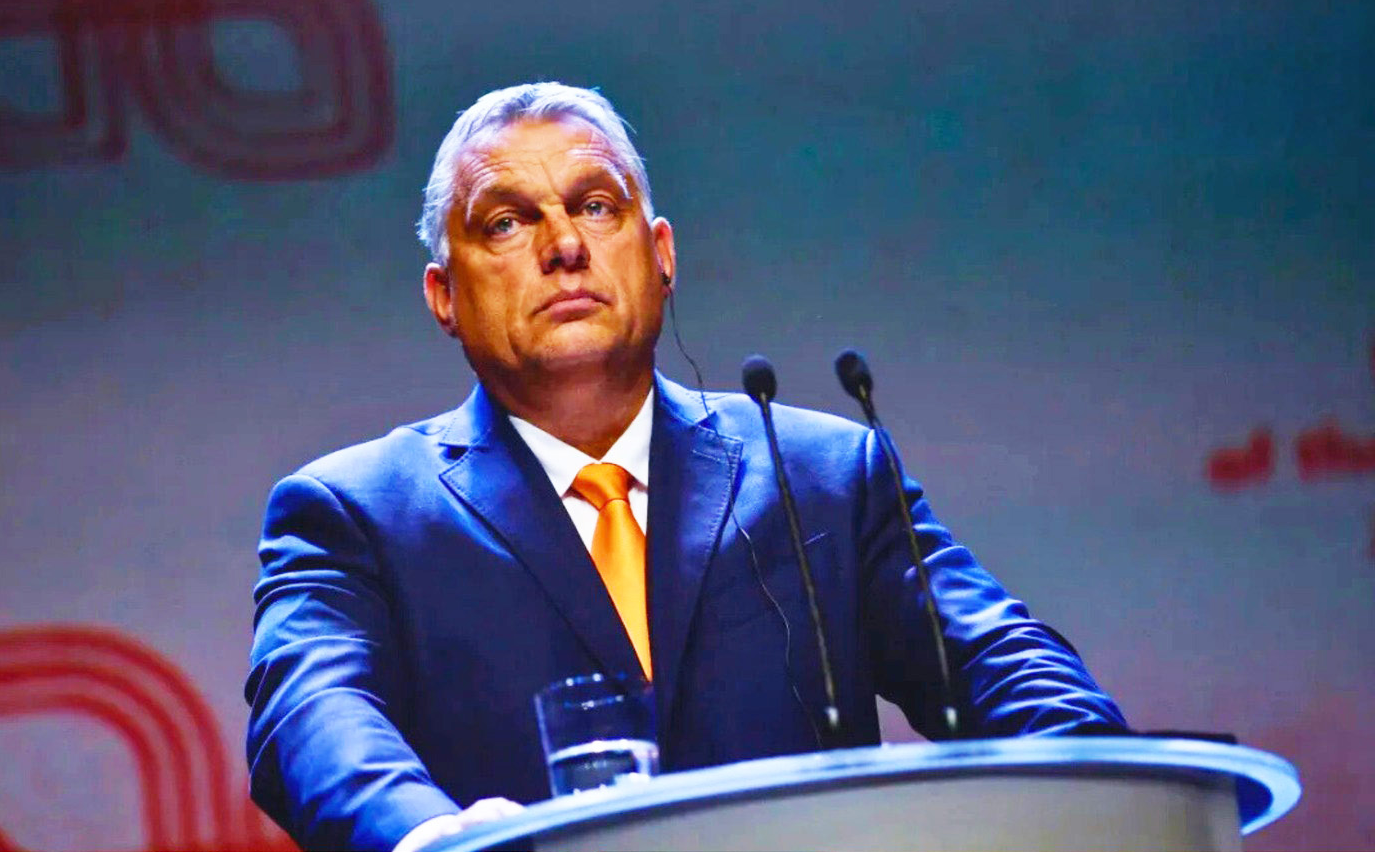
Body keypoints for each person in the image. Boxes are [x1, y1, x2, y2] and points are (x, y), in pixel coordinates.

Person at [245, 82, 1127, 852]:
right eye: (507, 222)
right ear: (444, 296)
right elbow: (313, 716)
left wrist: (1106, 792)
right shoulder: (356, 515)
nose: (564, 245)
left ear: (661, 255)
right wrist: (436, 839)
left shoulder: (824, 476)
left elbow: (1004, 665)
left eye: (597, 206)